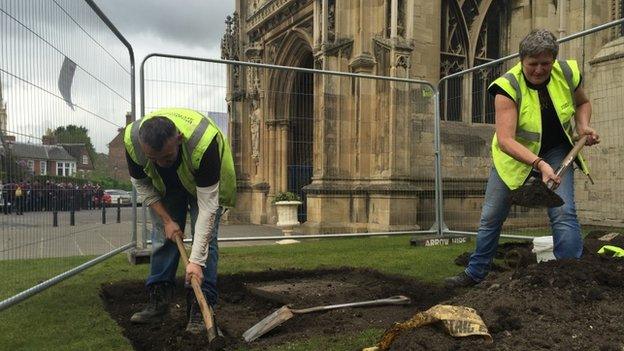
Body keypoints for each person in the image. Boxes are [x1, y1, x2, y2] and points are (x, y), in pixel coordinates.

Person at [445, 29, 600, 288]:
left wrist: (583, 126)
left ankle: (571, 276)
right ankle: (475, 273)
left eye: (545, 63)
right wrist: (538, 164)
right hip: (515, 156)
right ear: (522, 60)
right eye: (533, 64)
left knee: (564, 212)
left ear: (553, 60)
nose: (539, 70)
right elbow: (505, 140)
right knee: (492, 215)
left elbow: (583, 103)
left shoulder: (566, 73)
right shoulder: (508, 86)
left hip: (557, 151)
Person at [124, 108, 236, 333]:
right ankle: (159, 300)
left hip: (205, 182)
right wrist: (166, 220)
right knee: (163, 234)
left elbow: (206, 208)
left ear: (179, 139)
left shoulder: (204, 144)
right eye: (152, 159)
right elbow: (142, 185)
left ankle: (201, 305)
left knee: (206, 241)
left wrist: (195, 262)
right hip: (167, 186)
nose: (160, 163)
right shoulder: (132, 142)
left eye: (166, 157)